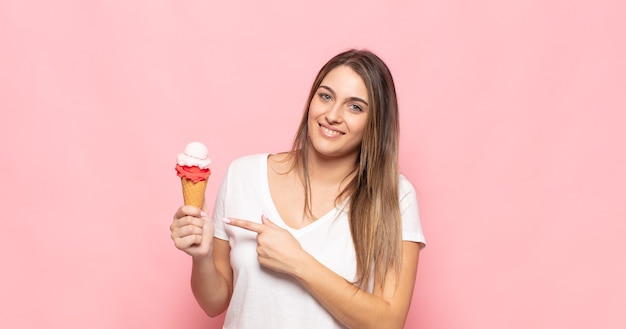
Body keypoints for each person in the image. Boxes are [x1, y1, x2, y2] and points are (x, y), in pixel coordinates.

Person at [170, 49, 426, 329]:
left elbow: (388, 323)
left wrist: (298, 262)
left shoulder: (395, 196)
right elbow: (213, 303)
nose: (332, 115)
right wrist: (203, 256)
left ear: (375, 122)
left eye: (355, 107)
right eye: (326, 96)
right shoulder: (242, 175)